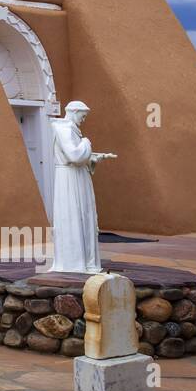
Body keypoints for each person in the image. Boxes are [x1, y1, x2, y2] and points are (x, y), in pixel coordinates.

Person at [48, 101, 116, 273]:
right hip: (69, 178)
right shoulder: (63, 129)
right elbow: (75, 155)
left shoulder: (71, 131)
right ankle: (73, 263)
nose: (84, 119)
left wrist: (94, 157)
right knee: (72, 215)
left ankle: (85, 262)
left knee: (83, 215)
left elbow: (79, 157)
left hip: (76, 176)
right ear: (74, 111)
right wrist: (86, 143)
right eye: (82, 115)